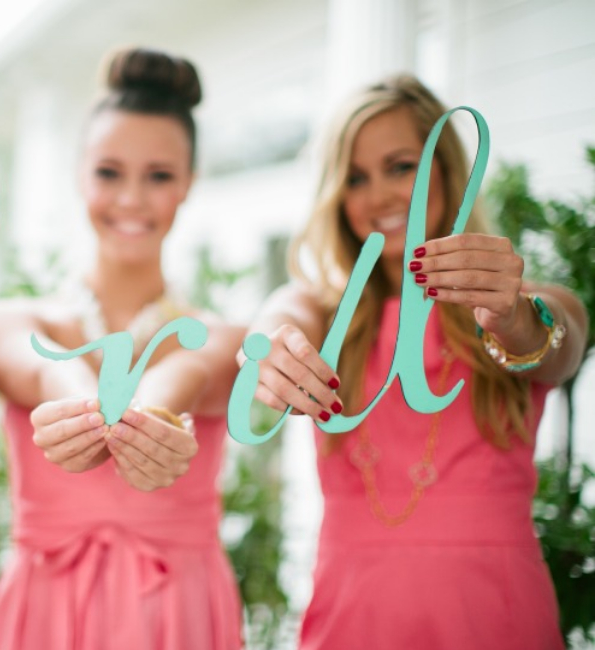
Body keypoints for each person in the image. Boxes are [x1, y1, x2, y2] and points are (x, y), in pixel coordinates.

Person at [248, 74, 588, 649]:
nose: (379, 195)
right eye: (356, 177)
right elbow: (281, 315)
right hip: (351, 622)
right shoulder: (323, 315)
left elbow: (561, 343)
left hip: (494, 621)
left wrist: (514, 319)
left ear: (448, 170)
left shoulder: (520, 302)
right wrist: (270, 343)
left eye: (402, 165)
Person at [0, 47, 246, 650]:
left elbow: (190, 372)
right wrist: (78, 392)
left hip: (177, 613)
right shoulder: (10, 320)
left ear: (188, 186)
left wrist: (153, 412)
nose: (131, 198)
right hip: (45, 611)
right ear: (79, 174)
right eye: (109, 172)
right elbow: (41, 362)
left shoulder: (225, 337)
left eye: (159, 175)